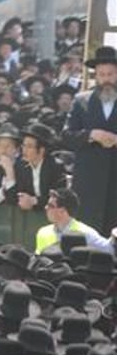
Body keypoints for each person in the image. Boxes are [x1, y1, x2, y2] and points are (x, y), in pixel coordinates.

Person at [63, 46, 117, 235]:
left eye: (110, 74)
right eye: (102, 75)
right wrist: (91, 135)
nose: (106, 79)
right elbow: (67, 137)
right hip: (89, 183)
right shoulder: (81, 101)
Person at [35, 187, 113, 255]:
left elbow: (109, 249)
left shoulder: (85, 233)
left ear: (63, 211)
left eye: (50, 206)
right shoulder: (42, 232)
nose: (46, 207)